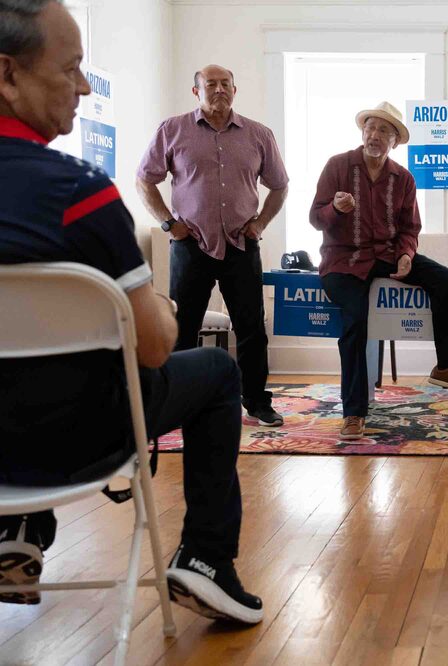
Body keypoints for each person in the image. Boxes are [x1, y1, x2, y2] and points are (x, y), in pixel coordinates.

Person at [0, 0, 261, 623]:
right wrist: (161, 307)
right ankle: (205, 559)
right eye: (71, 69)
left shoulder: (256, 135)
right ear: (7, 74)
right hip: (80, 442)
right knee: (218, 371)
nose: (85, 86)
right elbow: (152, 348)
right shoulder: (78, 194)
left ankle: (18, 529)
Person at [309, 102, 448, 441]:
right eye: (371, 128)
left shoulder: (403, 178)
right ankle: (354, 412)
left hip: (387, 254)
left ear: (395, 141)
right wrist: (334, 208)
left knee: (444, 278)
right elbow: (316, 218)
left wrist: (406, 254)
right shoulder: (338, 166)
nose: (375, 135)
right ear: (363, 132)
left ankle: (446, 365)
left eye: (384, 131)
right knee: (356, 322)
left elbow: (409, 228)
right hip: (343, 259)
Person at [136, 64, 289, 427]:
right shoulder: (172, 130)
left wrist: (261, 222)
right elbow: (145, 180)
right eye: (211, 84)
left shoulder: (258, 134)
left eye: (225, 84)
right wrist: (169, 225)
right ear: (196, 92)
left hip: (241, 244)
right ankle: (180, 403)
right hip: (191, 246)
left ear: (235, 90)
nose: (219, 90)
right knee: (182, 327)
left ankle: (256, 402)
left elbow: (280, 185)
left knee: (251, 327)